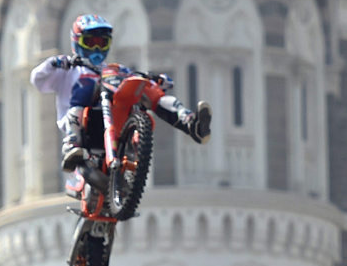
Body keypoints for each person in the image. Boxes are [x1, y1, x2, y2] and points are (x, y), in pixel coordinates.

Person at [30, 14, 212, 176]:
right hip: (87, 123)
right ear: (77, 42)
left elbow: (133, 77)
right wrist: (53, 63)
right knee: (87, 83)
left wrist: (154, 81)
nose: (96, 48)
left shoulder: (111, 69)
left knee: (147, 88)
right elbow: (37, 80)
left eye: (101, 43)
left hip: (116, 115)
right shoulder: (70, 69)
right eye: (90, 42)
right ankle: (72, 144)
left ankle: (190, 123)